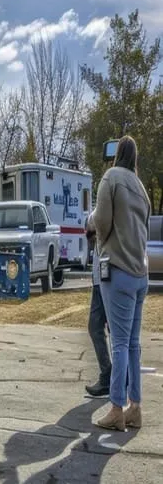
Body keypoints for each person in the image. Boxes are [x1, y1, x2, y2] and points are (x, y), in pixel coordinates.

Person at [91, 136, 151, 431]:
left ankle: (116, 408)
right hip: (141, 275)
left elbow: (101, 221)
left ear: (117, 155)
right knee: (133, 344)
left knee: (119, 343)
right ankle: (134, 407)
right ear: (135, 158)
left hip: (118, 271)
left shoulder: (111, 177)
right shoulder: (141, 189)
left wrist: (101, 242)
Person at [84, 221, 111, 397]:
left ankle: (116, 377)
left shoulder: (107, 208)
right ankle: (109, 375)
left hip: (108, 279)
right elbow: (90, 231)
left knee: (113, 331)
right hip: (99, 279)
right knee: (96, 327)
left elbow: (92, 228)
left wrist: (92, 230)